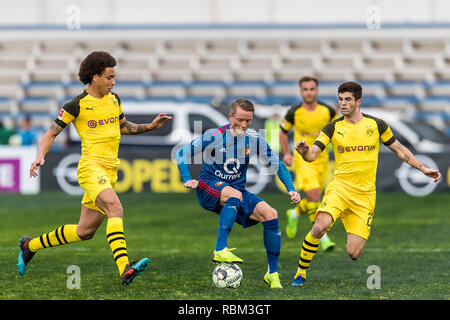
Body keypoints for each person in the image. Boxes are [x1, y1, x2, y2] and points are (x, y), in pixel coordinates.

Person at [17, 51, 172, 286]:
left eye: (114, 77)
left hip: (110, 172)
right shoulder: (76, 105)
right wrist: (40, 156)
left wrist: (150, 126)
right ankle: (125, 268)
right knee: (115, 208)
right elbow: (51, 132)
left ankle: (30, 245)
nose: (113, 81)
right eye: (109, 77)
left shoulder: (114, 99)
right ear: (96, 77)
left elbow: (123, 126)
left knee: (85, 231)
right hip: (90, 169)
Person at [291, 81, 441, 286]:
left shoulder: (376, 125)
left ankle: (347, 220)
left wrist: (422, 168)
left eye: (348, 100)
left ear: (358, 101)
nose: (343, 104)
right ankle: (300, 272)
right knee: (320, 225)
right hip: (340, 188)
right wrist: (304, 152)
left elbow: (399, 149)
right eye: (340, 99)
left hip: (365, 196)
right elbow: (312, 155)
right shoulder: (332, 127)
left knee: (353, 253)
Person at [176, 98, 300, 288]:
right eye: (239, 120)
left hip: (237, 191)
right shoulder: (214, 135)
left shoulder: (254, 138)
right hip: (208, 187)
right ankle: (220, 249)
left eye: (248, 121)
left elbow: (278, 164)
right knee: (234, 195)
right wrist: (186, 178)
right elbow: (181, 153)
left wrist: (291, 189)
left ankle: (272, 274)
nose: (243, 125)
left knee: (271, 214)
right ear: (230, 117)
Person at [279, 76, 337, 251]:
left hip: (322, 160)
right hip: (303, 160)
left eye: (312, 89)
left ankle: (294, 213)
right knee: (314, 197)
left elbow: (339, 130)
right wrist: (287, 153)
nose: (308, 92)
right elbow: (283, 132)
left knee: (313, 200)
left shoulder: (328, 111)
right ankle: (323, 237)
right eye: (305, 89)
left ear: (317, 90)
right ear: (300, 91)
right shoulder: (294, 112)